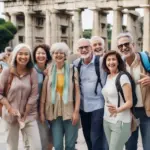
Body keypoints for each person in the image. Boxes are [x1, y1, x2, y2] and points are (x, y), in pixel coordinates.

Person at [0, 43, 41, 150]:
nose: (23, 57)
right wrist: (9, 108)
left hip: (29, 115)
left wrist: (25, 114)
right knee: (12, 147)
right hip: (10, 116)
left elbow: (34, 95)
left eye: (26, 54)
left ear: (30, 57)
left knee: (36, 147)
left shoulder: (33, 72)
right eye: (20, 54)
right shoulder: (7, 72)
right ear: (15, 55)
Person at [40, 42, 80, 150]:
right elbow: (44, 93)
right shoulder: (49, 70)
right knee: (57, 146)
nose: (58, 55)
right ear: (52, 55)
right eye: (55, 53)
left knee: (70, 145)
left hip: (70, 111)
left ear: (65, 55)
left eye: (61, 53)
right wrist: (42, 113)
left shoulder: (72, 69)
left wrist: (76, 112)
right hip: (54, 113)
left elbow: (77, 92)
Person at [117, 32, 150, 150]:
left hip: (147, 112)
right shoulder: (118, 66)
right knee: (130, 147)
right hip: (129, 113)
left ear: (133, 45)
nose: (124, 47)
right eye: (120, 46)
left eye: (126, 44)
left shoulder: (146, 60)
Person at [73, 38, 108, 150]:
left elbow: (119, 64)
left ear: (91, 48)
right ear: (78, 50)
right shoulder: (76, 64)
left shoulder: (102, 61)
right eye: (81, 48)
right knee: (87, 136)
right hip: (84, 106)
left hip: (99, 105)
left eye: (86, 47)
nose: (84, 50)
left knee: (96, 137)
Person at [102, 50, 133, 150]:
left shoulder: (123, 77)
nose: (111, 62)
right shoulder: (108, 77)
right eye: (108, 60)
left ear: (118, 62)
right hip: (107, 120)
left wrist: (117, 110)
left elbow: (129, 102)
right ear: (105, 63)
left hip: (120, 121)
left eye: (113, 59)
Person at [33, 44, 52, 150]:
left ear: (47, 55)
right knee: (43, 137)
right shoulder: (31, 71)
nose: (40, 55)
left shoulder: (51, 69)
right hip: (36, 109)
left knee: (52, 137)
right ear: (34, 55)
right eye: (38, 53)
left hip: (51, 108)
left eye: (43, 53)